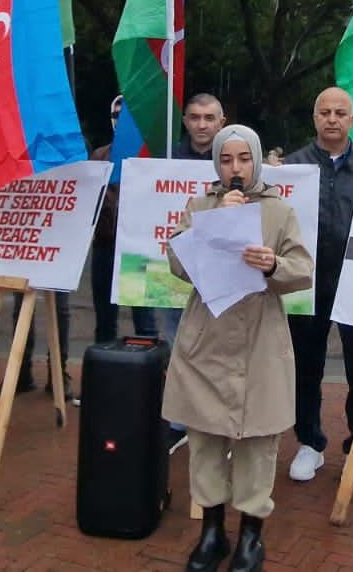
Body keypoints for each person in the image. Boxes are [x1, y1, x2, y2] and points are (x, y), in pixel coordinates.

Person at [166, 124, 312, 572]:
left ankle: (252, 535)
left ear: (256, 161)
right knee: (205, 438)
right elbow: (177, 261)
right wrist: (214, 226)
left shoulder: (280, 209)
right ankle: (211, 532)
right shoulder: (200, 205)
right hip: (206, 338)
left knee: (258, 440)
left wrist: (274, 265)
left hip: (260, 339)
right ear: (217, 164)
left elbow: (302, 269)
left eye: (243, 159)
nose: (235, 168)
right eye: (226, 160)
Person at [281, 87, 353, 486]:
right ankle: (309, 443)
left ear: (352, 119)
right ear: (314, 118)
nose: (332, 119)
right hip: (306, 284)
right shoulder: (292, 167)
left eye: (340, 112)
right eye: (324, 111)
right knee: (305, 369)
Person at [157, 92, 226, 452]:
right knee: (177, 345)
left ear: (222, 122)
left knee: (221, 349)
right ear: (185, 121)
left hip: (224, 278)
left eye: (209, 118)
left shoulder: (235, 160)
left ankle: (218, 420)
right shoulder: (165, 160)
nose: (202, 124)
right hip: (177, 278)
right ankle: (179, 421)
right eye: (195, 117)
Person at [87, 96, 159, 344]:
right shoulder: (99, 155)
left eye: (127, 117)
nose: (121, 121)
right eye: (117, 116)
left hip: (137, 251)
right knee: (104, 322)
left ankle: (150, 374)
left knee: (144, 323)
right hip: (105, 248)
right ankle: (103, 377)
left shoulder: (150, 156)